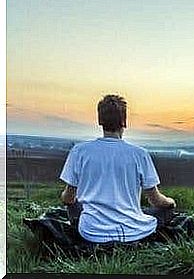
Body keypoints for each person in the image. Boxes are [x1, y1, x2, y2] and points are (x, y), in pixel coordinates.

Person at [59, 94, 176, 244]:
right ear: (124, 122)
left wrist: (71, 200)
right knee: (166, 210)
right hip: (134, 232)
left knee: (73, 205)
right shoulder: (140, 154)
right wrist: (171, 202)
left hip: (91, 233)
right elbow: (156, 200)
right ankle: (134, 219)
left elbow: (68, 197)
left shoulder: (79, 151)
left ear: (100, 120)